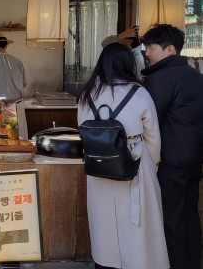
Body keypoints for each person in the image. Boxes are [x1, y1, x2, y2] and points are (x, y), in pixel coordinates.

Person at [77, 43, 169, 269]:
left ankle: (105, 261)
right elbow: (153, 136)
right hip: (134, 160)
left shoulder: (87, 94)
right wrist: (153, 164)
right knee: (136, 225)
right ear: (129, 64)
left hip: (98, 164)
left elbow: (82, 128)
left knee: (104, 221)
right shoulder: (139, 92)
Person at [141, 24, 203, 269]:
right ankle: (192, 262)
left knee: (171, 216)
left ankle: (174, 263)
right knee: (190, 211)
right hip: (193, 157)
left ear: (169, 49)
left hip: (169, 159)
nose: (147, 53)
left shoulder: (159, 79)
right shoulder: (196, 77)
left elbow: (149, 120)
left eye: (151, 47)